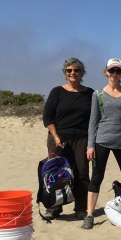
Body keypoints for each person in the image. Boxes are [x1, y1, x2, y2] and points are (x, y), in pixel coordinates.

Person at [85, 59, 121, 229]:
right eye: (111, 70)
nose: (114, 74)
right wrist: (90, 145)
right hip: (102, 141)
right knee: (96, 177)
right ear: (106, 72)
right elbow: (93, 121)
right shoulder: (98, 94)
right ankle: (89, 215)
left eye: (118, 71)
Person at [42, 58, 94, 220]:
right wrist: (56, 137)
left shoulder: (89, 93)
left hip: (81, 138)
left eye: (77, 70)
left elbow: (94, 119)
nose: (73, 73)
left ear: (82, 73)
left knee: (82, 172)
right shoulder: (57, 91)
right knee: (55, 173)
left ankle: (80, 208)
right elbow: (47, 117)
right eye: (69, 70)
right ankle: (54, 207)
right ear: (65, 73)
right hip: (58, 137)